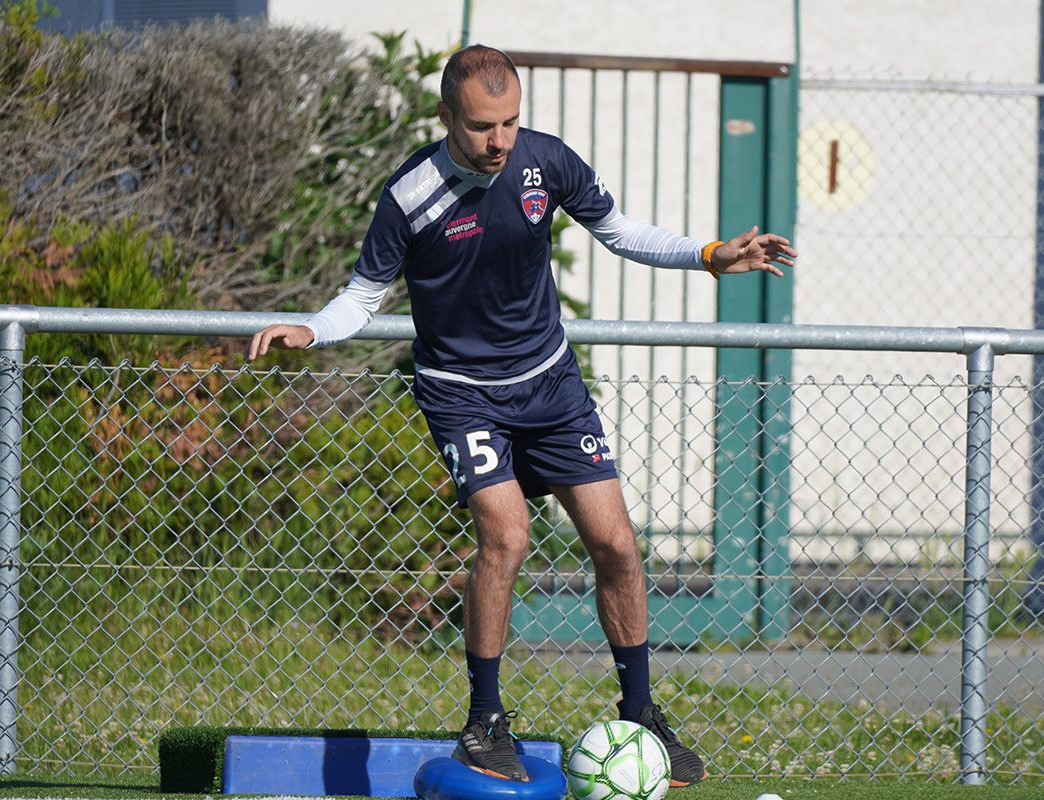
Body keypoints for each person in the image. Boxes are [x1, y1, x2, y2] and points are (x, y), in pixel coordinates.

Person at [246, 44, 796, 787]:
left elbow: (622, 230)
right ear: (446, 117)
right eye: (481, 127)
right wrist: (312, 327)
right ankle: (484, 721)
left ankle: (640, 715)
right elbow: (363, 296)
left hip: (549, 384)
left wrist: (708, 254)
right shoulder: (409, 195)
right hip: (461, 391)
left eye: (510, 122)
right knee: (507, 535)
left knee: (618, 545)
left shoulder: (543, 163)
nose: (499, 140)